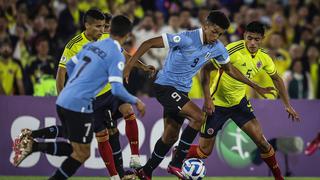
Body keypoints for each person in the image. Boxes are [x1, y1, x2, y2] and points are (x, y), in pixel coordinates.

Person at [124, 11, 274, 179]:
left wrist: (254, 85)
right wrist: (131, 66)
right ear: (205, 26)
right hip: (165, 86)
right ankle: (176, 163)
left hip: (181, 91)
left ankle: (146, 172)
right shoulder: (186, 38)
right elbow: (148, 43)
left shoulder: (217, 47)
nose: (216, 36)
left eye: (220, 33)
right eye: (214, 31)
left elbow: (229, 69)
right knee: (199, 117)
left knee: (170, 136)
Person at [186, 21, 300, 180]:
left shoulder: (264, 58)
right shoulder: (231, 50)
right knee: (204, 152)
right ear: (244, 36)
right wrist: (207, 99)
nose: (253, 43)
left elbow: (277, 79)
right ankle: (180, 151)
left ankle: (279, 178)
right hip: (217, 104)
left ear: (262, 39)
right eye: (250, 38)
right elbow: (205, 70)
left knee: (262, 142)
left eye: (257, 39)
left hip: (239, 104)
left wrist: (287, 105)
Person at [55, 15, 144, 180]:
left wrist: (142, 66)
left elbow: (124, 54)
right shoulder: (74, 44)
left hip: (109, 93)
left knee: (127, 112)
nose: (101, 30)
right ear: (86, 25)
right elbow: (63, 70)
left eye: (103, 26)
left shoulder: (103, 39)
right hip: (93, 99)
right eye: (98, 26)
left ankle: (135, 158)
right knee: (100, 136)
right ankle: (115, 176)